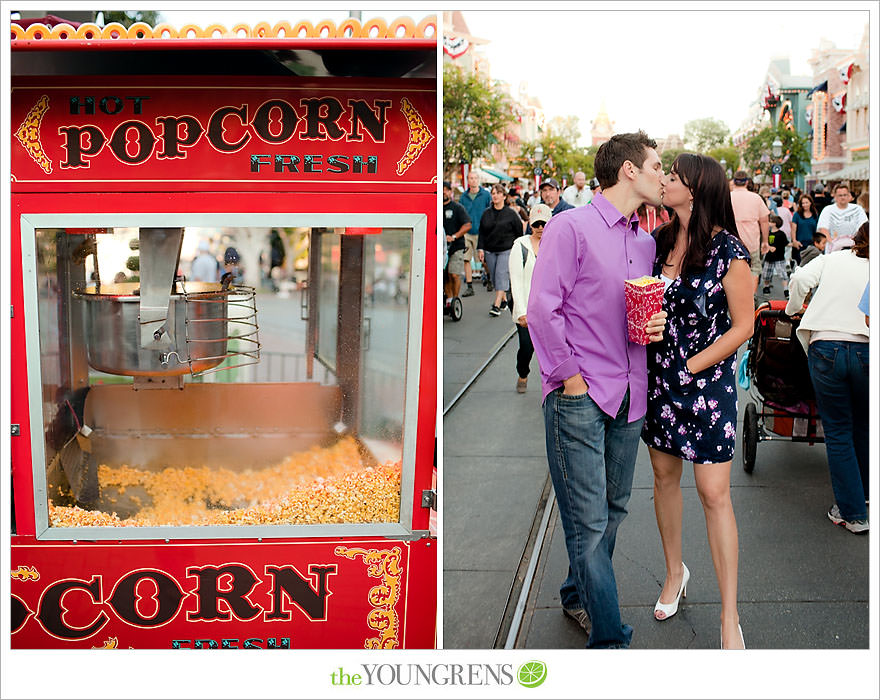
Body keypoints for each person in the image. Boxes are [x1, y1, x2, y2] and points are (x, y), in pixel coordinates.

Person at [528, 130, 667, 648]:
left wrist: (653, 326)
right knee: (587, 525)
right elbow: (543, 308)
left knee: (612, 512)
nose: (662, 173)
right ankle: (610, 639)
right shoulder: (572, 227)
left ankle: (575, 593)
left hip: (632, 392)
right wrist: (570, 379)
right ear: (629, 170)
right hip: (580, 398)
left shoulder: (645, 239)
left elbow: (633, 317)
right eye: (656, 164)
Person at [643, 153, 752, 650]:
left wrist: (695, 363)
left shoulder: (730, 251)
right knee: (664, 480)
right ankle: (674, 572)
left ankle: (730, 616)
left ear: (696, 187)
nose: (663, 180)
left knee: (713, 493)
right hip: (659, 379)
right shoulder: (660, 241)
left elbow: (744, 326)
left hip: (705, 384)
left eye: (672, 176)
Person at [785, 222, 869, 534]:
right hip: (867, 349)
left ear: (855, 241)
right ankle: (865, 495)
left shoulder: (833, 259)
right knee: (864, 424)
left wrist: (795, 309)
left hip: (827, 345)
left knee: (838, 430)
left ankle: (852, 512)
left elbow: (800, 279)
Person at [508, 203, 550, 393]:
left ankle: (550, 381)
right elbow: (515, 281)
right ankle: (522, 372)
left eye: (544, 224)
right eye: (536, 224)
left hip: (549, 306)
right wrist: (521, 312)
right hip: (526, 304)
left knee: (551, 346)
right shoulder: (520, 246)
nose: (540, 228)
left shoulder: (555, 243)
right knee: (527, 346)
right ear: (530, 225)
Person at [478, 183, 525, 317]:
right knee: (494, 277)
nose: (495, 196)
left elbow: (519, 232)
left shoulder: (511, 213)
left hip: (506, 249)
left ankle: (496, 304)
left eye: (498, 193)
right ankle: (504, 299)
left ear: (504, 196)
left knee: (501, 274)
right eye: (493, 193)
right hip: (490, 249)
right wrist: (480, 248)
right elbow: (482, 232)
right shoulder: (486, 213)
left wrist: (518, 249)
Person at [730, 171, 770, 295]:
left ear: (733, 181)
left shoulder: (726, 197)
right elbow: (764, 221)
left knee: (731, 271)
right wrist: (765, 241)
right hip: (752, 242)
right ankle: (750, 296)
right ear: (747, 182)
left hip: (732, 243)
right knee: (754, 269)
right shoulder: (756, 198)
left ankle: (734, 298)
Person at [460, 170, 492, 296]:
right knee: (466, 259)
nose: (473, 180)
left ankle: (489, 278)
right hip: (467, 232)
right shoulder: (464, 196)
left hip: (481, 231)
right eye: (470, 178)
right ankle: (469, 285)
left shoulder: (485, 195)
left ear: (478, 180)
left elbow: (490, 211)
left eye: (475, 178)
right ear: (468, 180)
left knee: (483, 259)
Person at [817, 183, 868, 253]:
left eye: (845, 195)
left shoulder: (858, 209)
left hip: (854, 248)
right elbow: (823, 229)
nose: (843, 197)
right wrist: (833, 244)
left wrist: (858, 244)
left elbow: (864, 228)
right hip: (833, 249)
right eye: (840, 195)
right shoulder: (827, 210)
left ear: (849, 195)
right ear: (835, 196)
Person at [443, 181, 472, 300]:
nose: (444, 192)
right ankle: (449, 300)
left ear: (450, 192)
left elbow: (467, 225)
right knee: (444, 276)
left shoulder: (457, 208)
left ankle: (455, 299)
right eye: (441, 189)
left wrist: (454, 236)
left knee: (454, 274)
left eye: (446, 190)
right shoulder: (434, 207)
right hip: (440, 248)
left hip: (456, 246)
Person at [762, 214, 790, 297]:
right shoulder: (767, 233)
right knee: (766, 273)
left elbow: (786, 243)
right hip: (769, 257)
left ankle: (786, 289)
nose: (769, 223)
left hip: (779, 258)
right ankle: (766, 286)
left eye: (770, 221)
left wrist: (793, 244)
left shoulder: (781, 234)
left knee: (782, 273)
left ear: (775, 223)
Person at [790, 193, 819, 268]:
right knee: (801, 266)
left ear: (810, 203)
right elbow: (793, 229)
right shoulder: (797, 215)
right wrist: (794, 241)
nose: (804, 205)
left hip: (812, 245)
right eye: (802, 203)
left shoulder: (815, 215)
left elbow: (817, 230)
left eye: (806, 202)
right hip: (800, 245)